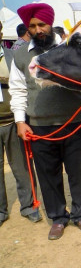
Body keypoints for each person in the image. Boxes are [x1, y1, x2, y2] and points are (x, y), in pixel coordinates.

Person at [9, 3, 81, 239]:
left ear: (50, 23)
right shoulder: (20, 55)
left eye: (42, 24)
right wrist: (20, 122)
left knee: (78, 172)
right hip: (39, 126)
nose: (38, 30)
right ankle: (58, 218)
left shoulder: (70, 47)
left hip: (73, 122)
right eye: (33, 26)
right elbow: (18, 91)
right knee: (48, 175)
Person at [0, 21, 41, 227]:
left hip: (12, 120)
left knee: (23, 167)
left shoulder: (13, 56)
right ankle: (0, 210)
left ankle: (29, 206)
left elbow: (24, 84)